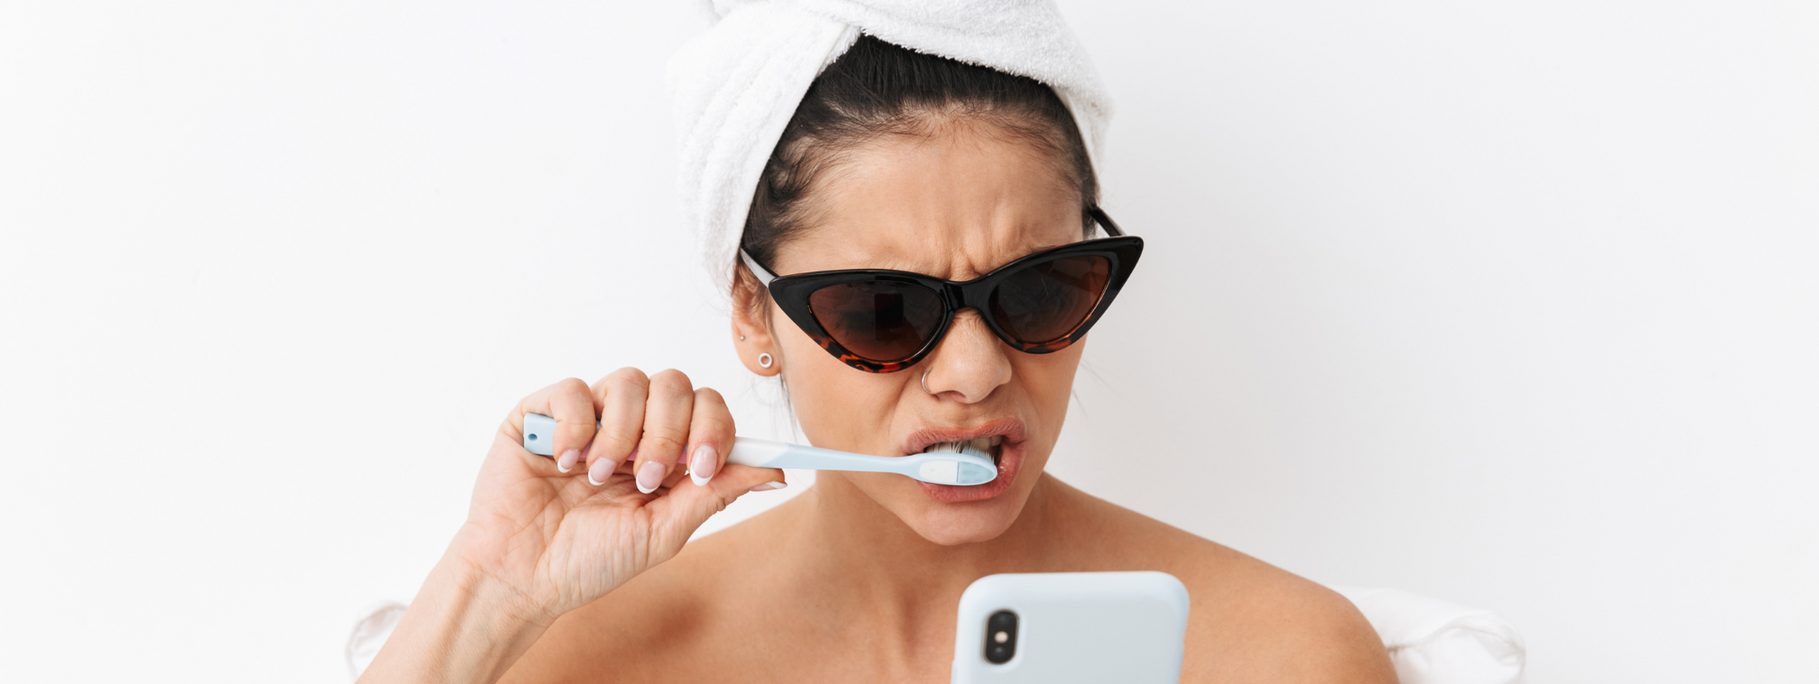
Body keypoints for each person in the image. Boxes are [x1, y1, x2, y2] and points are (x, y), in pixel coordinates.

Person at [360, 32, 1396, 684]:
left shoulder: (1282, 657)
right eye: (886, 310)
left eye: (1039, 288)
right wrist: (489, 595)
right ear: (752, 314)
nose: (976, 371)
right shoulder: (582, 656)